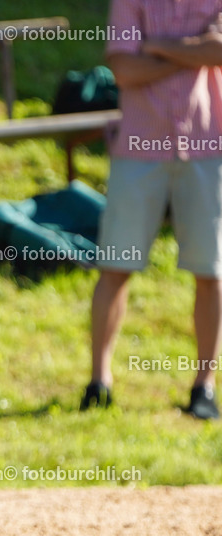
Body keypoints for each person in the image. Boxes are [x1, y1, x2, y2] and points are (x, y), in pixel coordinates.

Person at [83, 0, 222, 420]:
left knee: (211, 271)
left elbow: (219, 52)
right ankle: (98, 381)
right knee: (115, 266)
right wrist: (191, 51)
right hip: (137, 150)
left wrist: (155, 46)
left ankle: (204, 386)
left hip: (207, 147)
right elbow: (124, 72)